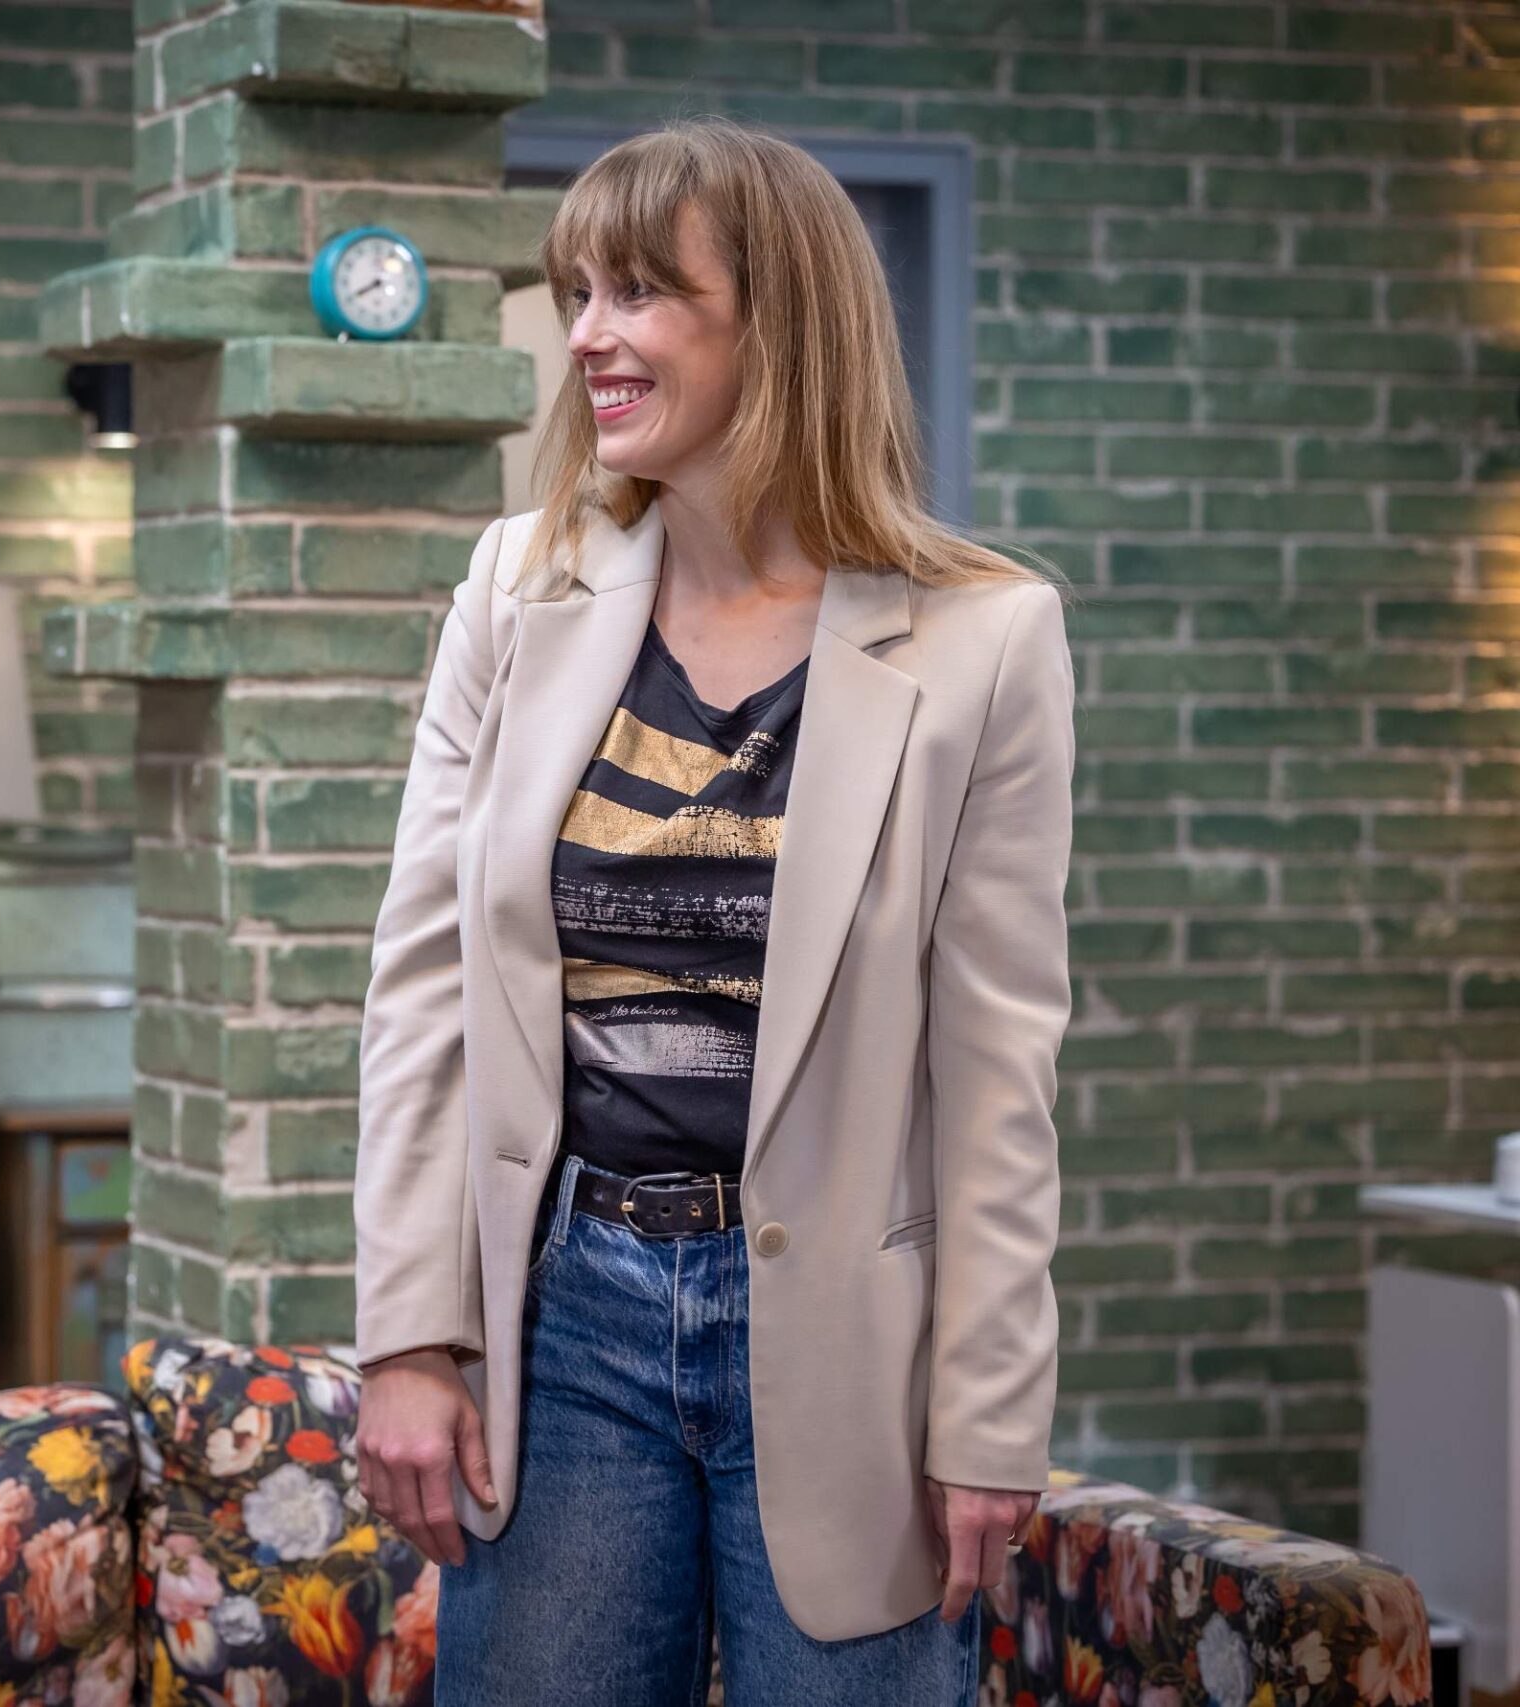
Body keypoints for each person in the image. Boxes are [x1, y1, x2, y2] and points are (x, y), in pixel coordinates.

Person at [350, 118, 1074, 1705]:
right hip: (567, 1317)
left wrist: (989, 1414)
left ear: (780, 322)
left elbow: (998, 1076)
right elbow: (423, 992)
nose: (585, 336)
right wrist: (409, 1335)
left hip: (849, 1348)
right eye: (577, 293)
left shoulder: (988, 639)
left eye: (638, 292)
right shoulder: (514, 590)